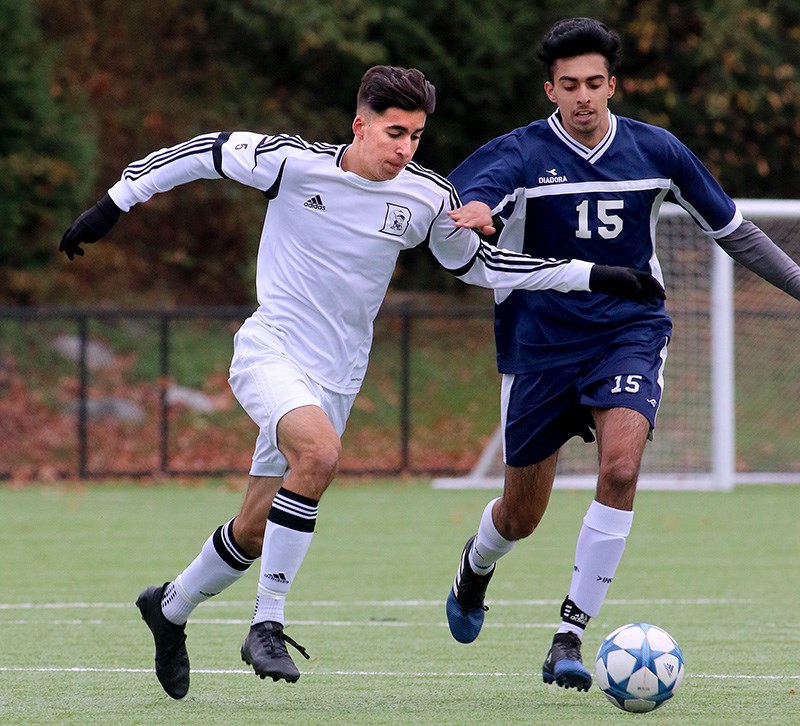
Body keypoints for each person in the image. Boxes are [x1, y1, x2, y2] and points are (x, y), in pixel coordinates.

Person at [59, 65, 665, 700]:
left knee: (257, 526)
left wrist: (589, 275)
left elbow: (480, 266)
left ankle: (170, 607)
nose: (404, 149)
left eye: (416, 137)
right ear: (360, 125)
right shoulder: (291, 163)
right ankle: (267, 622)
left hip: (339, 375)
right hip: (271, 351)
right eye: (394, 133)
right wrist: (113, 205)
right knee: (318, 454)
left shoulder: (427, 196)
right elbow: (200, 154)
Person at [444, 17, 800, 693]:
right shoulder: (519, 154)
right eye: (569, 85)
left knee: (622, 467)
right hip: (539, 346)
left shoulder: (656, 150)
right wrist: (476, 215)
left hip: (629, 332)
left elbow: (737, 233)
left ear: (614, 85)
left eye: (595, 84)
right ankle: (477, 566)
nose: (583, 97)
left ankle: (568, 635)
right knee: (521, 515)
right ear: (550, 88)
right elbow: (460, 204)